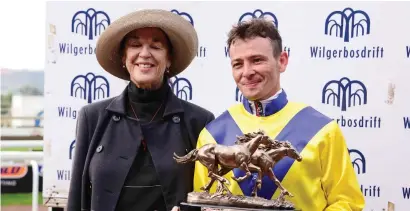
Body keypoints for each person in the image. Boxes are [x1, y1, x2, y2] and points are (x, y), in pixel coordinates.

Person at [193, 18, 365, 211]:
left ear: (282, 61)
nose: (247, 72)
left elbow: (347, 203)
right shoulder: (212, 133)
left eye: (257, 60)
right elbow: (202, 202)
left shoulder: (323, 130)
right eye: (238, 64)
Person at [66, 9, 214, 211]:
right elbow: (77, 197)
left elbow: (208, 199)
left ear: (169, 58)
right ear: (123, 57)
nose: (145, 53)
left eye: (156, 46)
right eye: (135, 45)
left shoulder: (199, 121)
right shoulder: (92, 117)